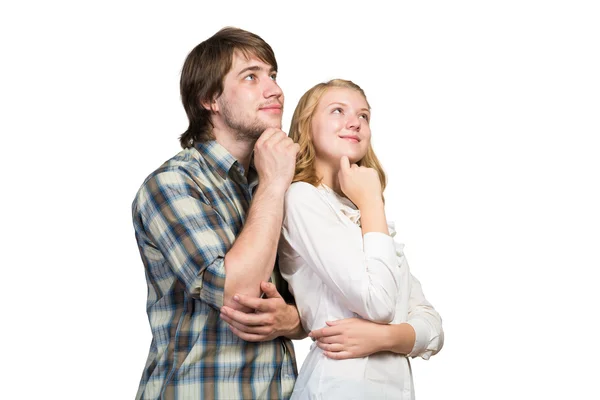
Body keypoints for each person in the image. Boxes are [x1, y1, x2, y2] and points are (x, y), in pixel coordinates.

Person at [131, 27, 306, 400]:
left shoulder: (275, 179)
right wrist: (275, 186)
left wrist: (292, 321)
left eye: (273, 75)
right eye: (251, 77)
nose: (274, 89)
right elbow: (237, 291)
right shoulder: (171, 185)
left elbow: (318, 297)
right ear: (210, 98)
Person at [277, 79, 444, 399]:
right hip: (340, 386)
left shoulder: (362, 210)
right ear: (306, 125)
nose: (355, 122)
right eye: (338, 111)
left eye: (363, 115)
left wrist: (383, 339)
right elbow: (378, 303)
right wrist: (372, 203)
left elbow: (432, 324)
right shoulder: (303, 199)